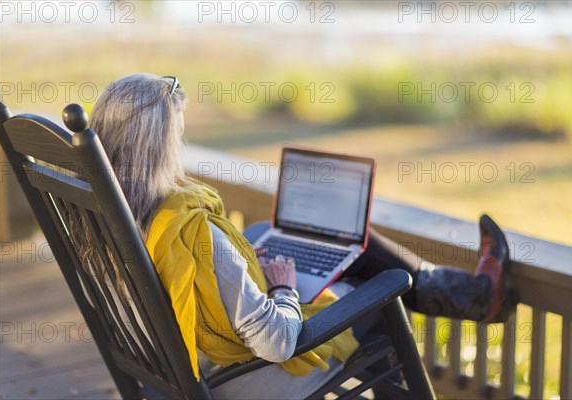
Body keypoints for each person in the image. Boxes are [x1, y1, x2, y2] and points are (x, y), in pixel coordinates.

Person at [89, 73, 514, 399]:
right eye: (179, 138)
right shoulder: (193, 234)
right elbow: (276, 342)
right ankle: (464, 294)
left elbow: (201, 285)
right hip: (238, 382)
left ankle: (466, 293)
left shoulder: (103, 222)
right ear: (163, 148)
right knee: (379, 291)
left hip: (173, 375)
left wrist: (243, 267)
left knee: (350, 255)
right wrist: (282, 289)